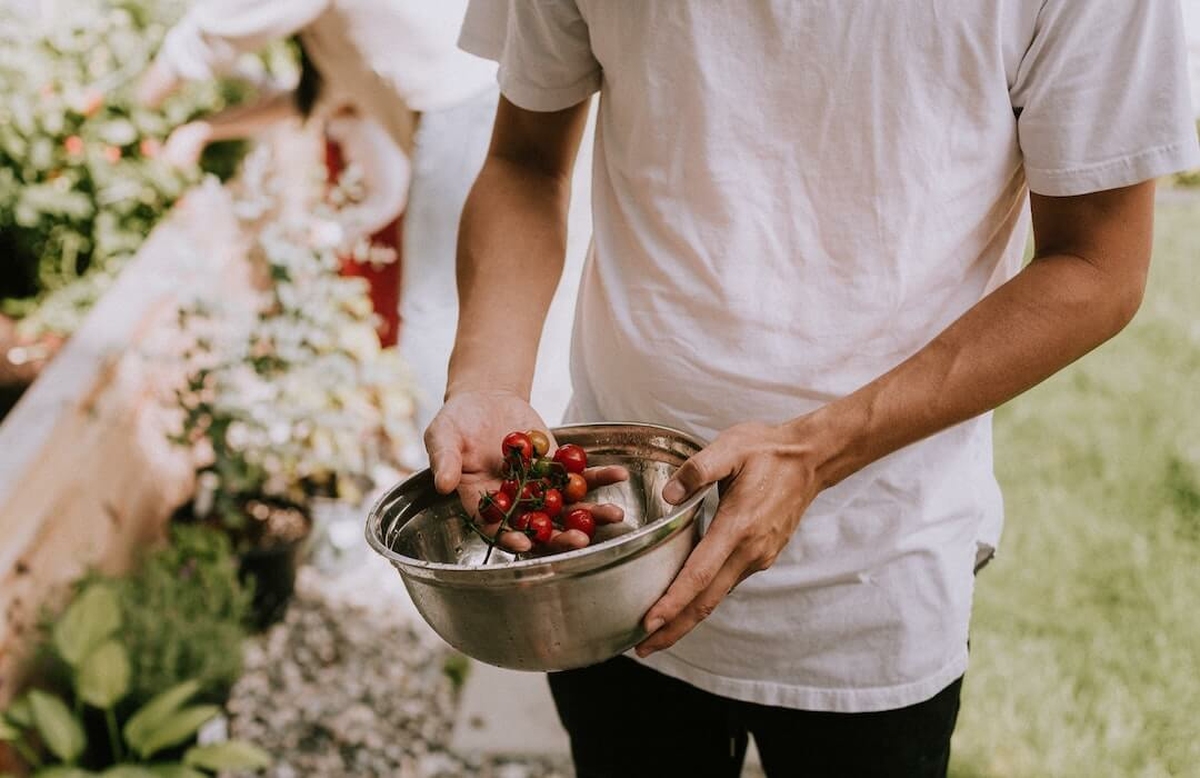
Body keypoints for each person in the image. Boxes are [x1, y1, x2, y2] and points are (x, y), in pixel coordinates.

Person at [425, 1, 1200, 776]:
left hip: (872, 572)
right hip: (609, 544)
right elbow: (526, 160)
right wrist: (490, 377)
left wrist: (819, 452)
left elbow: (1099, 265)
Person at [136, 0, 499, 432]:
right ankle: (459, 452)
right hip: (464, 103)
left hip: (462, 106)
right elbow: (317, 94)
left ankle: (443, 468)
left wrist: (138, 103)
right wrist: (207, 128)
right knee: (451, 303)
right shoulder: (333, 31)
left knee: (431, 307)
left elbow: (212, 31)